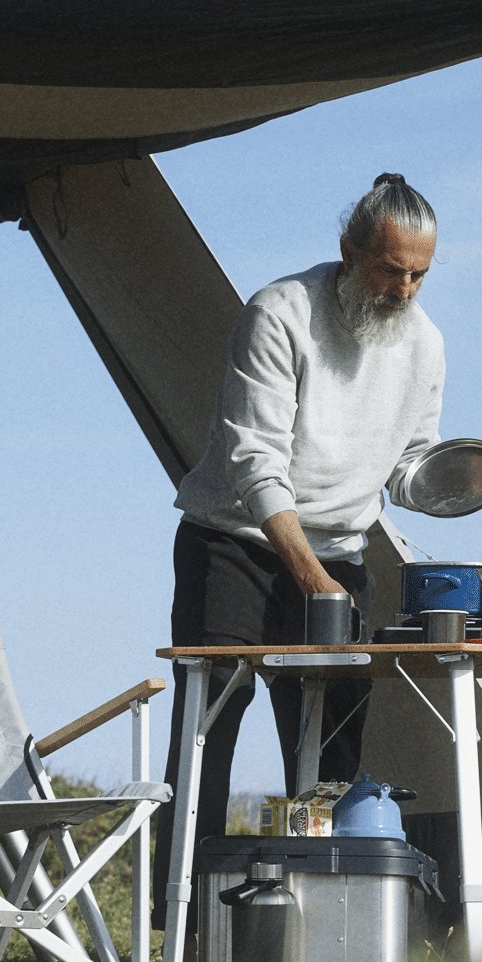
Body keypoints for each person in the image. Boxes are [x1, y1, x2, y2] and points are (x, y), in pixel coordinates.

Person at [162, 172, 444, 903]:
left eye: (418, 274)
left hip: (342, 554)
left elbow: (411, 462)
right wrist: (309, 575)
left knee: (332, 751)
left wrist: (451, 482)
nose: (403, 289)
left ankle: (325, 916)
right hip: (234, 542)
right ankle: (183, 920)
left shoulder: (426, 344)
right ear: (349, 248)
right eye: (390, 268)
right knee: (207, 729)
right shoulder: (279, 312)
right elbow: (254, 464)